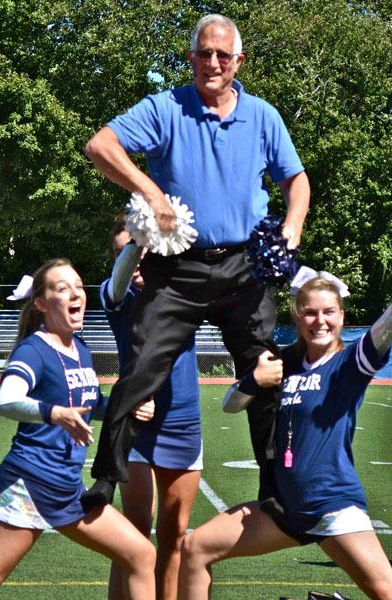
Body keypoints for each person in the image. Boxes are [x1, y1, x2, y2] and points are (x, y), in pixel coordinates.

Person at [82, 12, 310, 510]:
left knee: (267, 369)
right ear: (190, 58)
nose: (212, 62)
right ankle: (105, 480)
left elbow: (297, 180)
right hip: (176, 268)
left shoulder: (264, 116)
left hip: (244, 266)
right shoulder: (165, 108)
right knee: (140, 365)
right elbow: (100, 145)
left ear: (238, 61)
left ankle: (274, 489)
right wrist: (149, 190)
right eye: (203, 53)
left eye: (222, 55)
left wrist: (292, 226)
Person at [177, 227, 392, 600]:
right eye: (310, 313)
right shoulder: (283, 362)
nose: (320, 321)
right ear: (297, 316)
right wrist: (253, 382)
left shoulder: (349, 363)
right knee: (194, 548)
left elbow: (387, 325)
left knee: (391, 595)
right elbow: (230, 405)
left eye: (329, 313)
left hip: (331, 504)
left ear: (341, 316)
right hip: (285, 510)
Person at [0, 260, 156, 600]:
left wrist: (125, 407)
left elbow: (87, 403)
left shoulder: (79, 348)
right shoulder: (34, 350)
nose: (75, 293)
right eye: (62, 288)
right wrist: (55, 414)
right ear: (40, 303)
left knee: (141, 555)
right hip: (31, 483)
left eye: (79, 286)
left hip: (65, 485)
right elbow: (6, 400)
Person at [102, 220, 203, 600]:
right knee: (133, 530)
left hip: (182, 424)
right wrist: (140, 238)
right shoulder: (116, 296)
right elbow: (121, 275)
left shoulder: (185, 292)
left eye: (142, 248)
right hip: (135, 424)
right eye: (123, 251)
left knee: (174, 536)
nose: (135, 259)